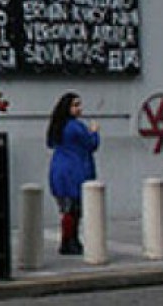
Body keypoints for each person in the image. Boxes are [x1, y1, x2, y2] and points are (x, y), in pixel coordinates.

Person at [47, 92, 100, 255]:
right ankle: (70, 241)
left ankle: (68, 240)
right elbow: (91, 144)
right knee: (74, 210)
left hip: (59, 170)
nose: (79, 108)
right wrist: (94, 132)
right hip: (74, 171)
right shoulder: (76, 127)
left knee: (67, 209)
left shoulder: (58, 126)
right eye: (76, 105)